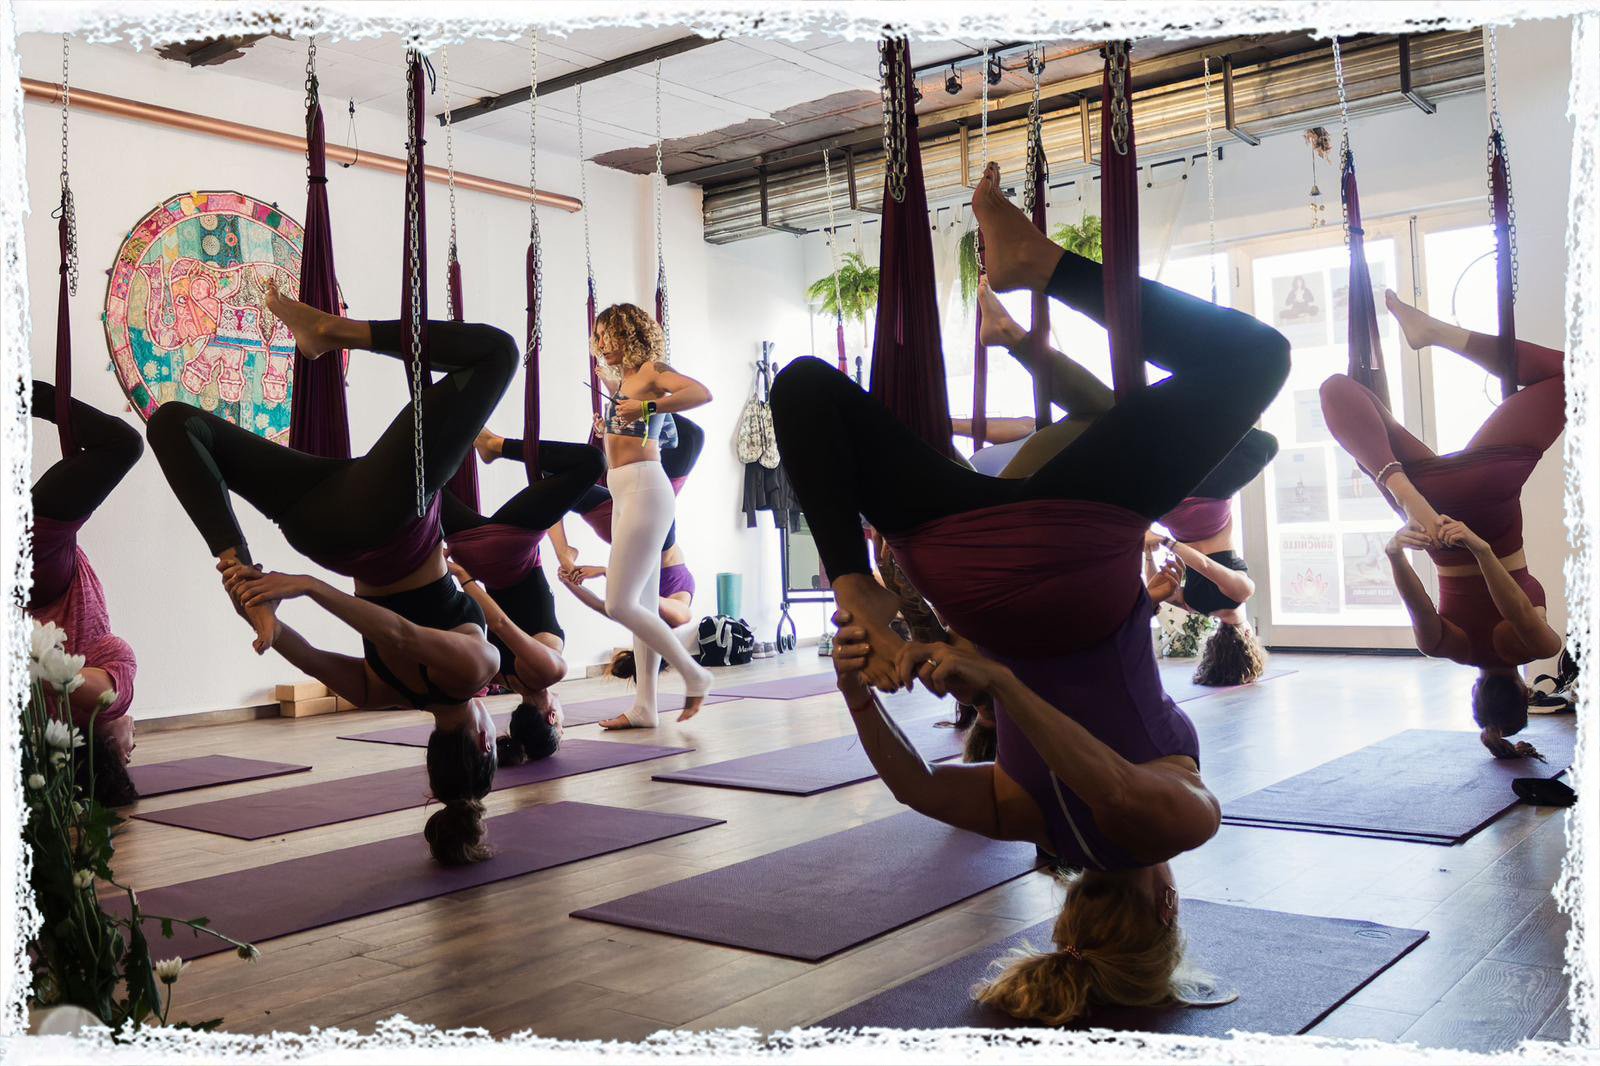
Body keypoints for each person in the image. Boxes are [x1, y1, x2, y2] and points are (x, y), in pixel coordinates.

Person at [768, 161, 1288, 1025]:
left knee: (1255, 362)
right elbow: (913, 789)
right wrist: (855, 686)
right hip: (961, 563)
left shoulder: (1174, 829)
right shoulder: (1022, 819)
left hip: (1069, 552)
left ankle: (1042, 270)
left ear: (1166, 909)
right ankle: (850, 578)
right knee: (804, 387)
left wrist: (1002, 686)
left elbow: (1118, 793)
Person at [148, 287, 507, 865]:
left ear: (485, 739)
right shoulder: (385, 695)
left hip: (383, 523)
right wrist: (265, 620)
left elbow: (402, 635)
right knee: (176, 425)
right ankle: (235, 563)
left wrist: (308, 589)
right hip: (327, 522)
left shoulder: (476, 671)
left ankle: (336, 332)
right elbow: (310, 657)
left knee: (497, 354)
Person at [962, 284, 1278, 688]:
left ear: (1246, 637)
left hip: (1202, 505)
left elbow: (1203, 566)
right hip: (1166, 503)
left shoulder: (1239, 593)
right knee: (1117, 417)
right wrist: (1150, 539)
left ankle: (1186, 397)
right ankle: (1010, 339)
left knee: (1262, 442)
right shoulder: (1196, 605)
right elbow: (1155, 585)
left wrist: (1162, 543)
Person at [1320, 290, 1564, 760]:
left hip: (1485, 496)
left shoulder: (1528, 648)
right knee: (1339, 390)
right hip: (1427, 507)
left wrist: (1484, 550)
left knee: (1573, 376)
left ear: (1525, 692)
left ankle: (1438, 334)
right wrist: (1395, 551)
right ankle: (1400, 486)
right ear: (1474, 698)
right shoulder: (1444, 648)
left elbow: (1518, 612)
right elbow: (1419, 606)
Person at [580, 305, 713, 728]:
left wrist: (647, 407)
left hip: (646, 490)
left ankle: (695, 673)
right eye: (597, 338)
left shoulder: (651, 371)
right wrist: (612, 426)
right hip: (626, 492)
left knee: (619, 603)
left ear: (628, 333)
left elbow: (700, 393)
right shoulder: (624, 382)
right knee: (638, 604)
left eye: (607, 336)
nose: (601, 345)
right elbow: (635, 429)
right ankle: (645, 707)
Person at [442, 439, 607, 766]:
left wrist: (465, 580)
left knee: (591, 464)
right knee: (422, 476)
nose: (564, 718)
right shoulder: (501, 678)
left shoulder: (548, 672)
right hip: (471, 549)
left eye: (561, 725)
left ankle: (494, 445)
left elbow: (501, 623)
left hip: (508, 547)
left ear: (550, 717)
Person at [30, 382, 142, 806]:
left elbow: (100, 690)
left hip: (37, 564)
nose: (133, 751)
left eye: (124, 758)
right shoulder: (45, 721)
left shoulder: (108, 691)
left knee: (122, 445)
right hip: (43, 556)